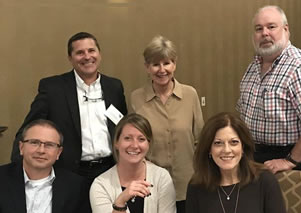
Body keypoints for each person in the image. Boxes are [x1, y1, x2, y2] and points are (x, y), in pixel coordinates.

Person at [11, 32, 128, 184]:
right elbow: (29, 128)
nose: (87, 57)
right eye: (80, 52)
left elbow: (123, 127)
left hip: (111, 170)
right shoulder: (53, 88)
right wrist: (15, 170)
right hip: (69, 173)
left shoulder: (114, 87)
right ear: (70, 58)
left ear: (99, 54)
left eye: (91, 50)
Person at [237, 5, 301, 174]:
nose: (265, 33)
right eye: (259, 29)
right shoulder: (253, 67)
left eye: (271, 26)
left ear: (286, 29)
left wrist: (289, 160)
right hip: (256, 159)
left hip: (293, 163)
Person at [130, 35, 204, 213]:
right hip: (152, 186)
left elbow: (200, 140)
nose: (162, 70)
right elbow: (133, 145)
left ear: (174, 64)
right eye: (155, 64)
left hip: (188, 185)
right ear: (147, 67)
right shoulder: (136, 98)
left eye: (167, 63)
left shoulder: (190, 94)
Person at [186, 112, 286, 213]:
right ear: (209, 149)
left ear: (243, 147)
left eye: (233, 142)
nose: (226, 150)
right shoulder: (196, 185)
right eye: (218, 143)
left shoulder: (265, 180)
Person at [90, 113, 176, 213]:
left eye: (141, 139)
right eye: (127, 138)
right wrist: (120, 202)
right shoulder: (100, 185)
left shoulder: (162, 178)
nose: (135, 145)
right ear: (116, 142)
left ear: (148, 144)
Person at [0, 119, 90, 213]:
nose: (41, 150)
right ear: (21, 147)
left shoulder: (77, 187)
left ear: (58, 153)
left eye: (49, 145)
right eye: (34, 142)